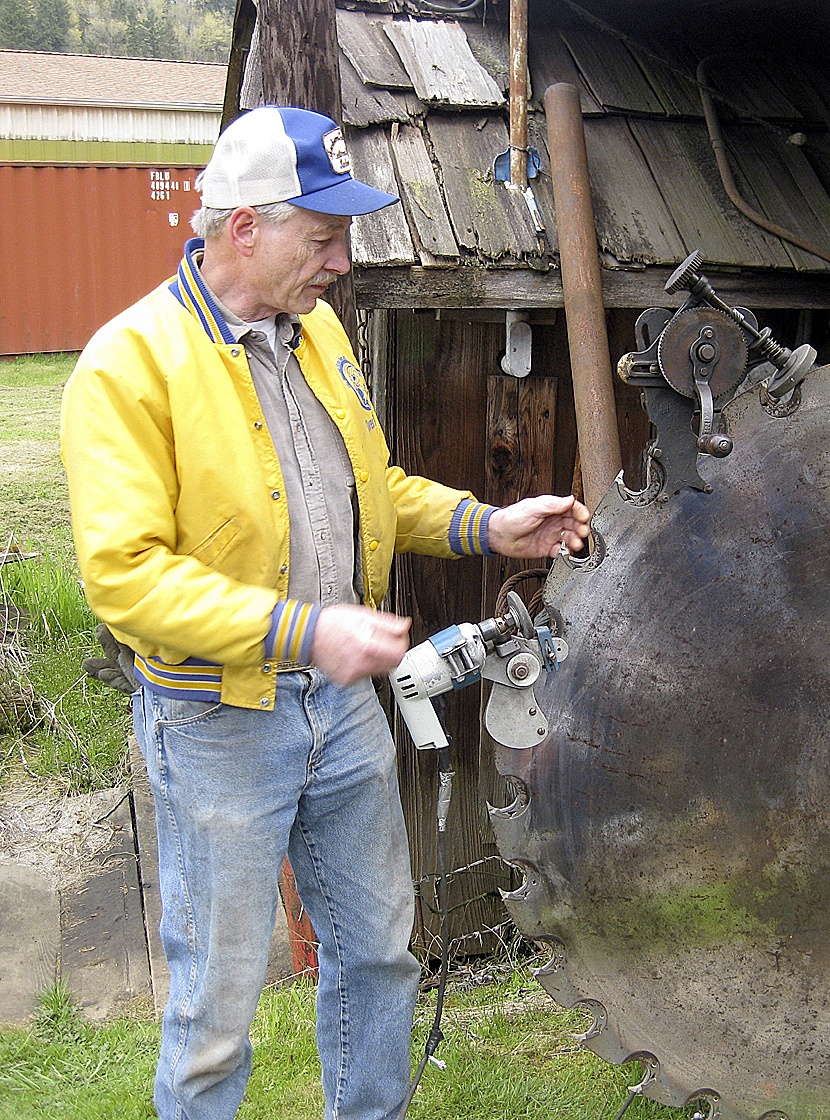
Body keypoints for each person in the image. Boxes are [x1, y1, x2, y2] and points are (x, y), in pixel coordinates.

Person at [59, 105, 589, 1120]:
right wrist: (310, 630)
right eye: (324, 235)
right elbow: (127, 579)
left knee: (379, 956)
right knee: (215, 1012)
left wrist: (489, 525)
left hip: (339, 715)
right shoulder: (129, 366)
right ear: (245, 227)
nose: (343, 261)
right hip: (216, 723)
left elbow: (371, 488)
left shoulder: (317, 333)